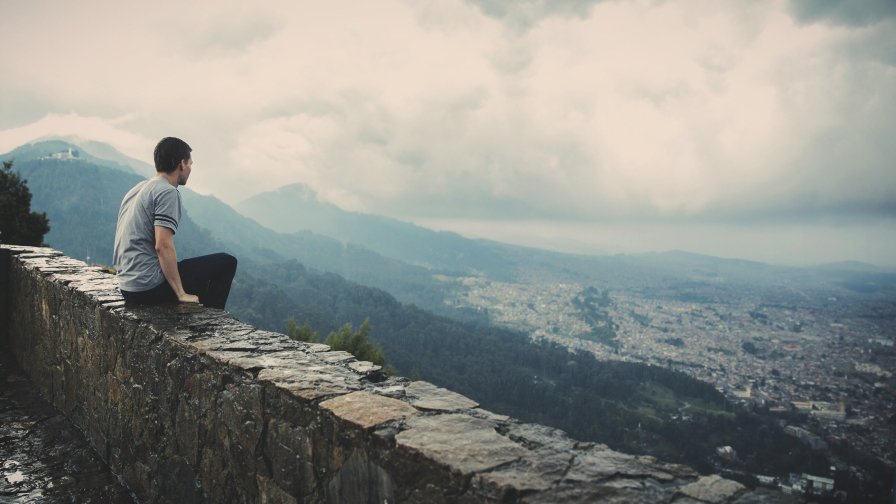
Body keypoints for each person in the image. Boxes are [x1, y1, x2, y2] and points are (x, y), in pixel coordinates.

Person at [113, 137, 237, 309]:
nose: (190, 169)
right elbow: (162, 245)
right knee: (227, 262)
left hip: (128, 286)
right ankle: (213, 323)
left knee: (196, 275)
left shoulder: (138, 189)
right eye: (190, 164)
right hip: (147, 287)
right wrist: (181, 293)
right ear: (181, 164)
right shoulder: (167, 191)